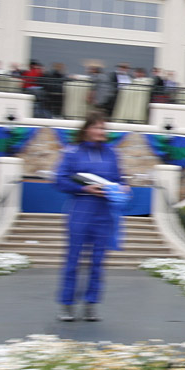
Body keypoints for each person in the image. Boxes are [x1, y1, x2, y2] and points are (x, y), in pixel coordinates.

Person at [54, 111, 128, 322]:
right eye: (96, 127)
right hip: (80, 210)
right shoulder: (72, 152)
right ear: (87, 129)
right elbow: (59, 180)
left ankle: (91, 305)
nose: (100, 131)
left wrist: (123, 187)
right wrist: (85, 189)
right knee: (73, 260)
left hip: (104, 213)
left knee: (98, 262)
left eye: (103, 128)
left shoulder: (112, 153)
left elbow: (118, 178)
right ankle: (67, 305)